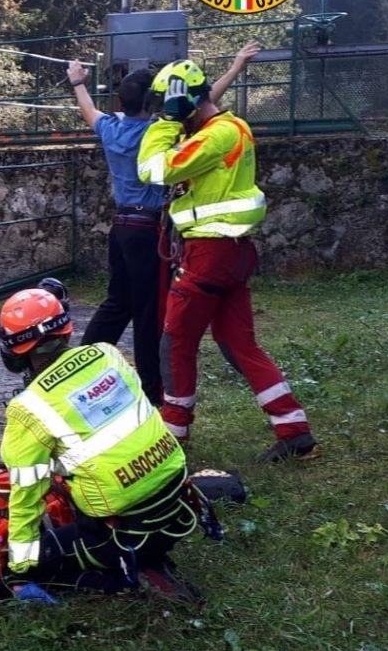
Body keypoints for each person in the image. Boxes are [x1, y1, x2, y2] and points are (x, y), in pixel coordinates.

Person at [137, 55, 320, 464]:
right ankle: (295, 432)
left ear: (181, 101)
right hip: (231, 252)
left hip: (210, 254)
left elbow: (152, 169)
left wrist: (166, 122)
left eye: (167, 105)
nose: (164, 114)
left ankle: (173, 433)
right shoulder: (226, 129)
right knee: (239, 343)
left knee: (176, 342)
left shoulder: (216, 135)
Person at [66, 41, 261, 405]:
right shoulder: (158, 132)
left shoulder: (110, 128)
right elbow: (203, 105)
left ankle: (81, 367)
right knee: (149, 312)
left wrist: (77, 82)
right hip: (148, 229)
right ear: (154, 102)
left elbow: (88, 109)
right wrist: (235, 68)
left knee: (116, 303)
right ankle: (153, 389)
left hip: (120, 227)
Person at [0, 283, 202, 599]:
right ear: (65, 329)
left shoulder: (28, 408)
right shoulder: (107, 354)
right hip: (177, 505)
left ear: (13, 350)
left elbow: (27, 493)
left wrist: (21, 567)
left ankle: (125, 579)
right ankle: (140, 557)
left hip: (122, 529)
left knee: (34, 561)